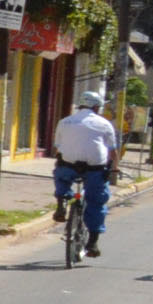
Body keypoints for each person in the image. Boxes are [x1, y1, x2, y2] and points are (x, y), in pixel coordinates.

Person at [49, 85, 120, 259]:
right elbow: (113, 151)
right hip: (95, 169)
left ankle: (62, 201)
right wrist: (115, 168)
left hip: (68, 166)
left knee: (61, 175)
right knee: (96, 202)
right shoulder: (104, 124)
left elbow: (57, 147)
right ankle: (93, 243)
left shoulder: (64, 121)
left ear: (80, 106)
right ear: (96, 107)